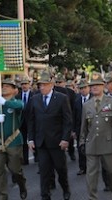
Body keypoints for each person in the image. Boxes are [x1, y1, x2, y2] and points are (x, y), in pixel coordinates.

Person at [79, 72, 112, 200]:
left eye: (97, 85)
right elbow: (83, 126)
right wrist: (82, 141)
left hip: (108, 143)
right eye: (92, 85)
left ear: (103, 86)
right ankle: (92, 197)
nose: (95, 88)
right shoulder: (86, 105)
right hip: (92, 143)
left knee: (111, 171)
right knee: (91, 174)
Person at [28, 71, 72, 200]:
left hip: (57, 141)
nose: (42, 87)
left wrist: (65, 138)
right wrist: (30, 139)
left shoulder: (61, 98)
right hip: (41, 142)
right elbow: (31, 121)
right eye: (40, 85)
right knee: (44, 170)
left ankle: (65, 188)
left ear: (51, 85)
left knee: (60, 168)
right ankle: (45, 195)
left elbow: (67, 121)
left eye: (45, 84)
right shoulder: (34, 99)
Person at [0, 78, 27, 200]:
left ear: (15, 90)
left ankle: (21, 184)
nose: (5, 87)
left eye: (8, 86)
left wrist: (5, 102)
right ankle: (2, 195)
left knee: (15, 170)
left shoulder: (16, 102)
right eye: (3, 86)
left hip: (13, 141)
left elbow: (20, 106)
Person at [73, 79, 91, 176]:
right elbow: (74, 116)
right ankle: (82, 167)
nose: (83, 90)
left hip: (92, 127)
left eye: (85, 88)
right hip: (80, 128)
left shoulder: (93, 98)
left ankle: (92, 166)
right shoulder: (76, 100)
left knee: (92, 148)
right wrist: (73, 130)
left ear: (89, 88)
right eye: (81, 88)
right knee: (81, 148)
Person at [15, 76, 34, 165]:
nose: (24, 86)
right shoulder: (17, 96)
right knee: (23, 142)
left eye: (26, 84)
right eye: (22, 84)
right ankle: (25, 159)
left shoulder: (34, 95)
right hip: (21, 122)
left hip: (32, 121)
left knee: (34, 140)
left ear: (29, 85)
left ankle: (37, 157)